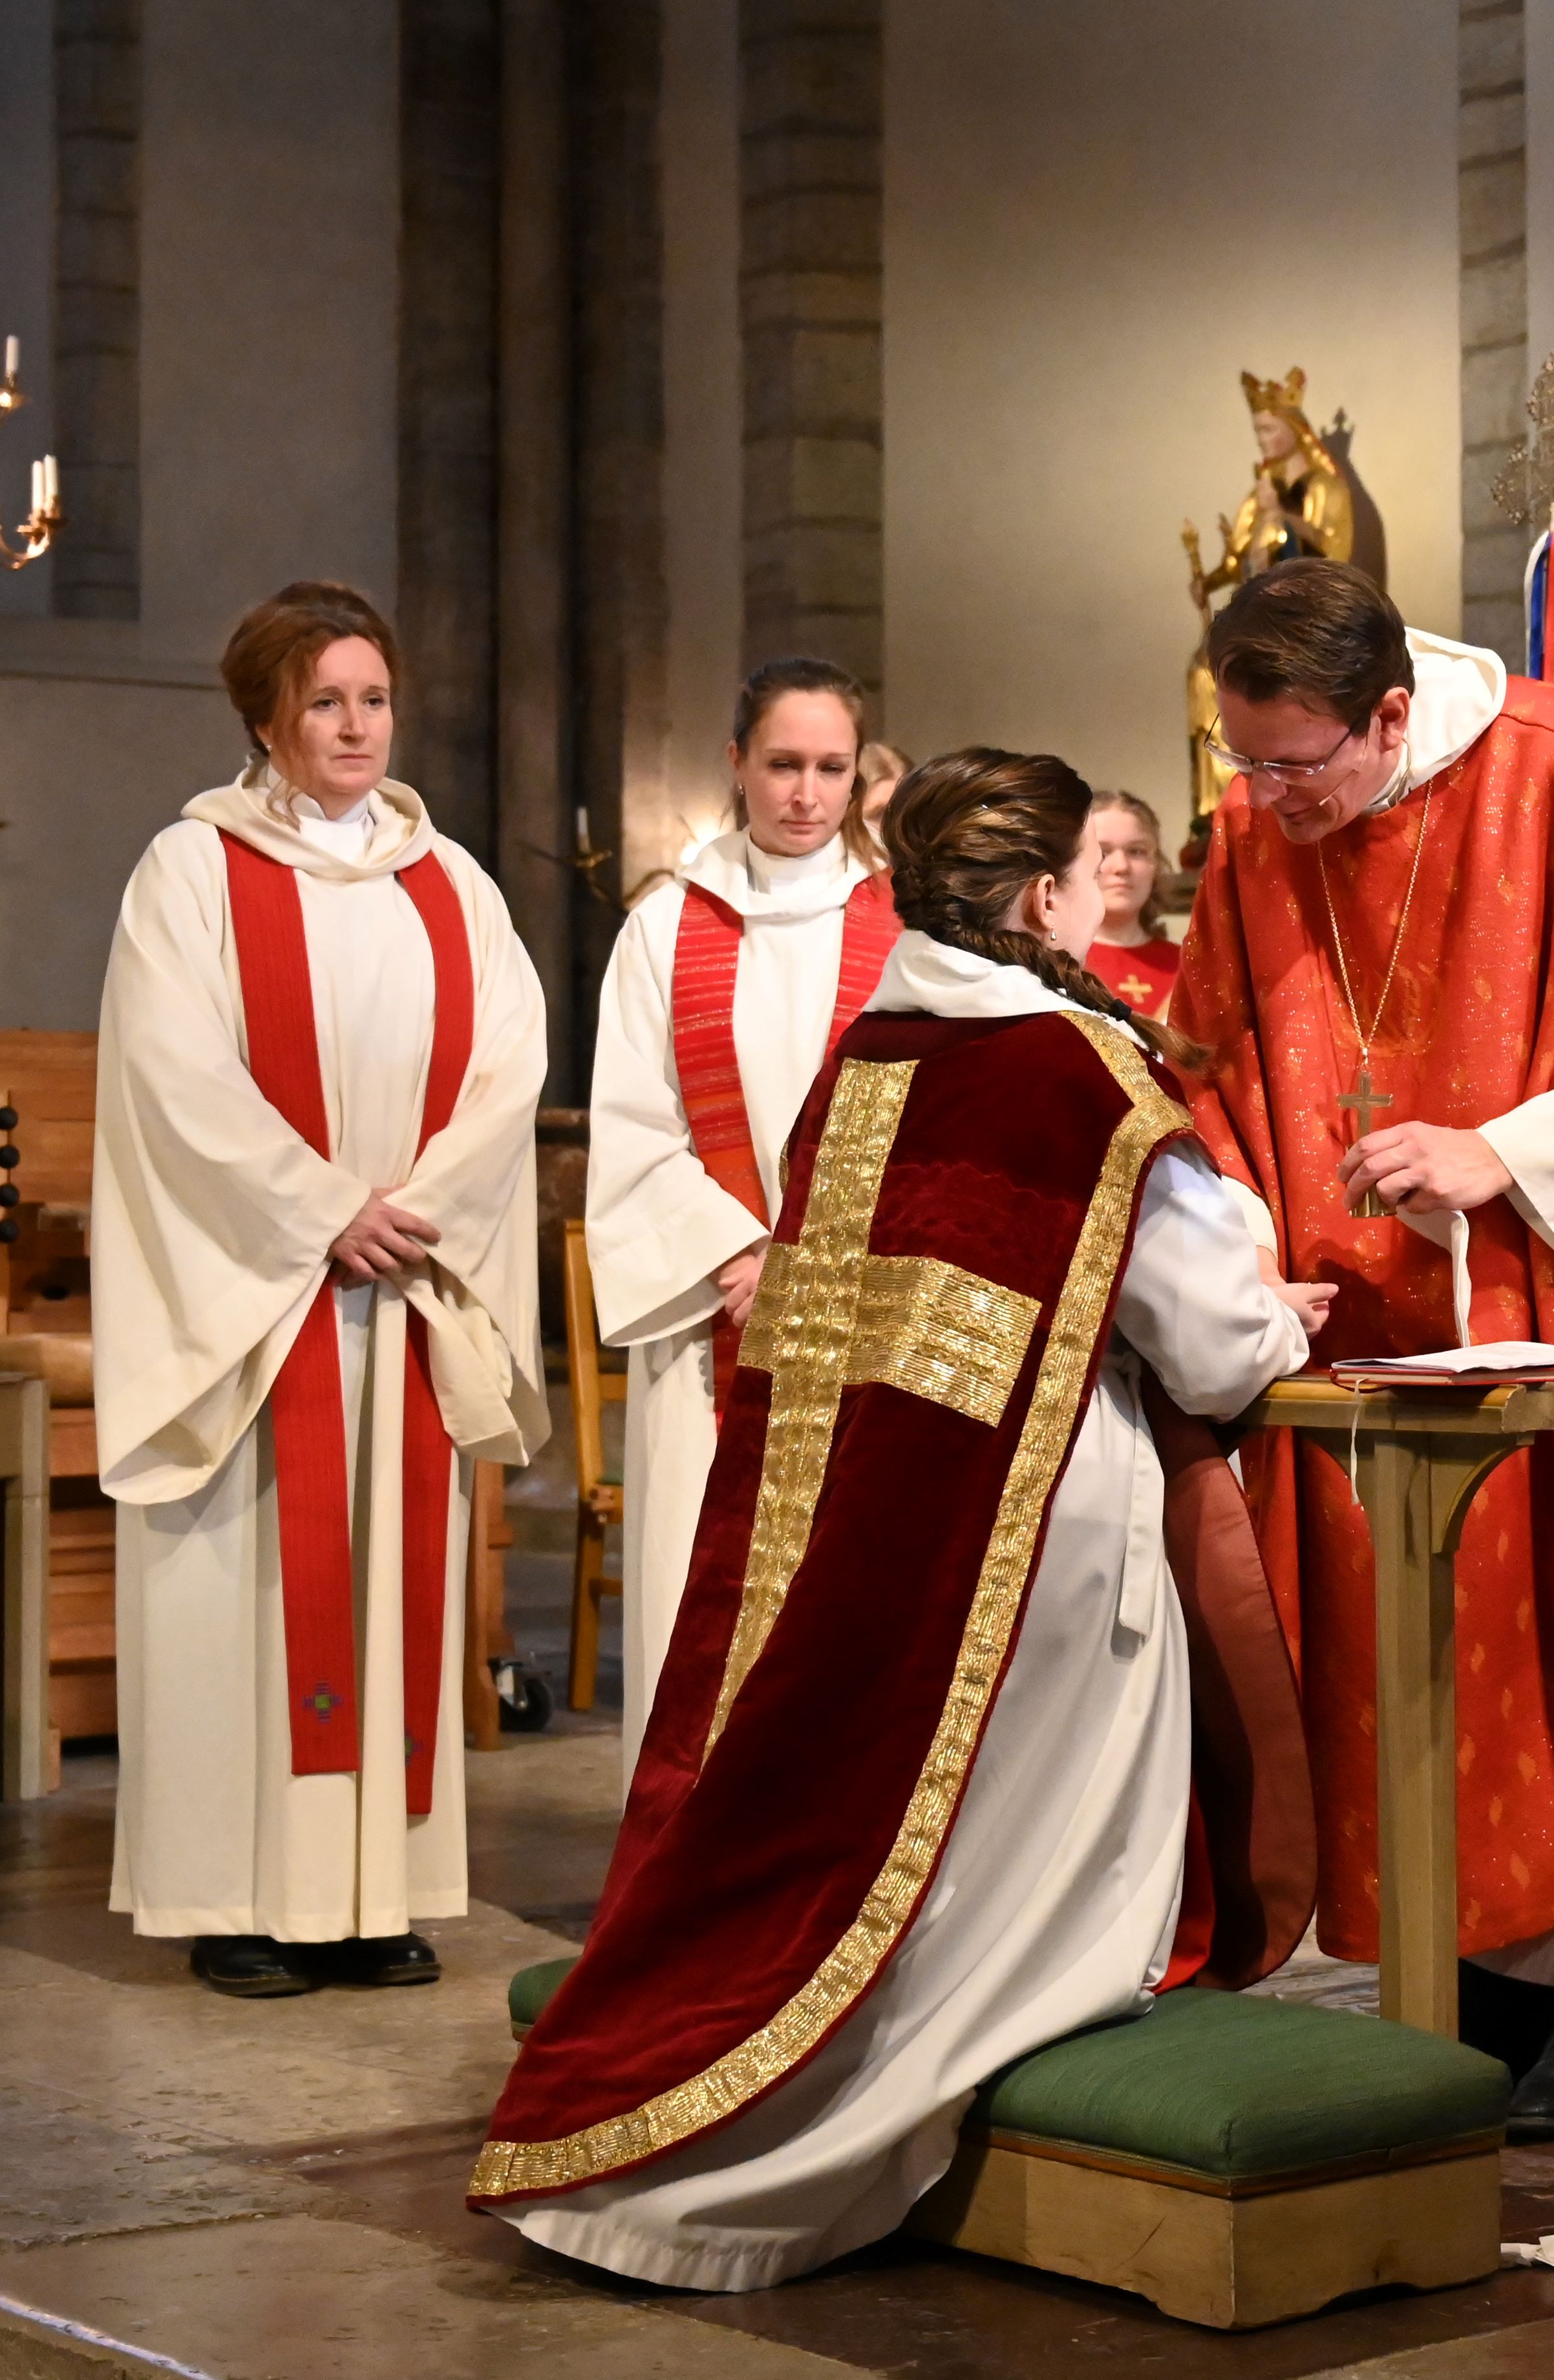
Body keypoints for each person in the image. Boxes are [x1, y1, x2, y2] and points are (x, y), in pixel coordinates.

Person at [471, 752, 1328, 2289]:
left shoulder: (868, 1053)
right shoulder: (1082, 1076)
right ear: (1046, 895)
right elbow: (1211, 1341)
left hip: (874, 1524)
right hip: (1043, 1550)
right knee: (1007, 1888)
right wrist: (1277, 1310)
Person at [1172, 555, 1554, 2136]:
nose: (1267, 802)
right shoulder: (1258, 826)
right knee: (1412, 1660)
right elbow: (1209, 1055)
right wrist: (1238, 1234)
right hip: (1352, 1321)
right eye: (1244, 762)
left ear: (1389, 714)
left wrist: (1507, 1150)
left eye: (1295, 767)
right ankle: (1471, 1983)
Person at [90, 581, 549, 1998]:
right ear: (265, 719)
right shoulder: (191, 872)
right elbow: (172, 1074)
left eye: (374, 698)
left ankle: (373, 1898)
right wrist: (320, 1210)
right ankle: (236, 1900)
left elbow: (510, 1065)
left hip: (401, 1287)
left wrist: (412, 1214)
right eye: (324, 701)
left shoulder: (452, 882)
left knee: (393, 1596)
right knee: (246, 1591)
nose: (356, 726)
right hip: (257, 1305)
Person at [584, 660, 900, 1776]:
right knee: (699, 1594)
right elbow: (631, 1119)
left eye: (831, 768)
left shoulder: (908, 926)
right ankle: (685, 1853)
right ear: (735, 763)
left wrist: (816, 1259)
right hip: (711, 1315)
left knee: (847, 1613)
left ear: (858, 774)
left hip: (863, 1320)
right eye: (782, 764)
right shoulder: (667, 925)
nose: (806, 794)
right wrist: (737, 1252)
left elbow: (936, 1119)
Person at [1082, 787, 1182, 1018]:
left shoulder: (1187, 966)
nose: (1121, 867)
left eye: (1136, 851)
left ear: (1156, 865)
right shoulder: (1052, 964)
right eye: (1103, 852)